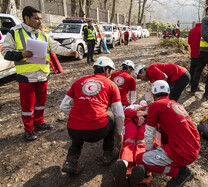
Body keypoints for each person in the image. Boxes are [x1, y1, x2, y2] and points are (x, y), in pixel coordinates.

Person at [1, 6, 78, 141]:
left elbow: (54, 46)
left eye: (40, 18)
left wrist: (69, 52)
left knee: (40, 102)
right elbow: (5, 52)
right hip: (26, 75)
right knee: (28, 105)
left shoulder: (42, 34)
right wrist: (21, 54)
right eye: (36, 18)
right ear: (27, 18)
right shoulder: (15, 32)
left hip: (42, 74)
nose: (39, 21)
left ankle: (39, 122)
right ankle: (29, 129)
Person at [60, 56, 125, 174]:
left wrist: (80, 116)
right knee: (111, 115)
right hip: (97, 131)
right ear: (107, 70)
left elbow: (63, 106)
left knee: (78, 130)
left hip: (73, 129)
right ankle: (107, 154)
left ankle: (71, 161)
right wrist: (119, 133)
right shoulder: (111, 85)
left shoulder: (78, 82)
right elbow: (119, 114)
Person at [135, 80, 200, 187]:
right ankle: (176, 166)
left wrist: (148, 153)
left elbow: (149, 134)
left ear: (153, 94)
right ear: (168, 93)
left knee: (140, 159)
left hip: (182, 152)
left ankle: (181, 173)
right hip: (194, 147)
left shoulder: (155, 106)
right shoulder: (176, 104)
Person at [113, 101, 148, 187]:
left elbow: (155, 114)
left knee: (141, 143)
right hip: (131, 122)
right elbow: (125, 112)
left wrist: (143, 114)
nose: (143, 103)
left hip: (144, 123)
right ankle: (124, 165)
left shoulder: (149, 108)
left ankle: (137, 167)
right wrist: (138, 113)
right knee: (130, 142)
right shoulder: (132, 106)